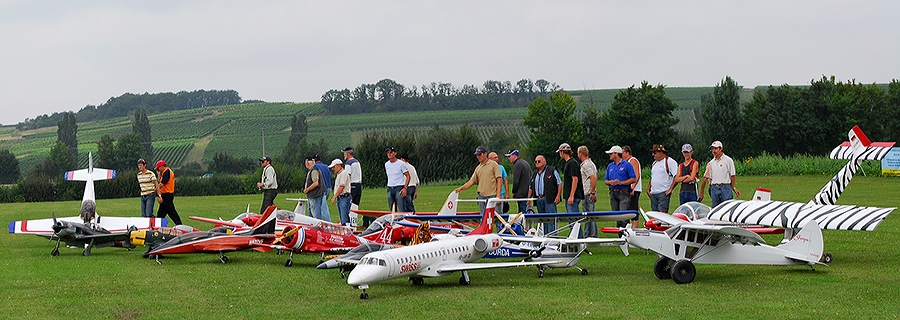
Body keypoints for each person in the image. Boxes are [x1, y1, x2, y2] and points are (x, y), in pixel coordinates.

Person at [455, 146, 502, 217]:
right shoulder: (478, 168)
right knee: (483, 219)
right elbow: (471, 182)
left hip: (492, 196)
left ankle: (500, 229)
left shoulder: (493, 164)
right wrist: (460, 188)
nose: (478, 157)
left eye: (480, 154)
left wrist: (498, 195)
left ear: (485, 154)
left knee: (497, 218)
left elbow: (499, 179)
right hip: (481, 197)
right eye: (477, 155)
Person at [699, 141, 741, 207]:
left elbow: (733, 176)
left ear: (720, 149)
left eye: (716, 149)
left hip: (725, 187)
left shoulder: (728, 160)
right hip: (714, 188)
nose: (714, 151)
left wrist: (732, 187)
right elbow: (706, 178)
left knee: (726, 208)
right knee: (715, 209)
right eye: (712, 149)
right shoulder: (711, 163)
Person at [528, 155, 562, 235]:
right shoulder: (534, 173)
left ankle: (553, 238)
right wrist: (528, 198)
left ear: (544, 162)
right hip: (539, 200)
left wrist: (558, 196)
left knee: (551, 220)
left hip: (549, 199)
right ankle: (545, 238)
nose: (537, 163)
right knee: (542, 221)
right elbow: (530, 187)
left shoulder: (552, 170)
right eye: (535, 161)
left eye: (539, 161)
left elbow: (559, 183)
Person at [604, 146, 636, 229]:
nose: (609, 155)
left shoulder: (627, 165)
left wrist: (621, 182)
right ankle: (620, 237)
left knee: (623, 217)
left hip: (624, 193)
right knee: (616, 217)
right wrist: (610, 182)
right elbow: (605, 180)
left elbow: (633, 179)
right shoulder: (610, 166)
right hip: (613, 193)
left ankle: (626, 236)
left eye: (611, 153)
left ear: (616, 154)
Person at [647, 145, 678, 213]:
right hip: (654, 193)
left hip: (663, 192)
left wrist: (670, 189)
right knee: (655, 215)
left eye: (654, 152)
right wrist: (649, 189)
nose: (653, 154)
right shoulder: (654, 163)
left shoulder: (669, 162)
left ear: (661, 152)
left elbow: (676, 176)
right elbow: (652, 177)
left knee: (662, 215)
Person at [577, 146, 598, 238]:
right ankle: (589, 235)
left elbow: (593, 177)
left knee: (589, 215)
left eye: (578, 153)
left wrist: (592, 192)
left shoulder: (585, 165)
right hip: (590, 192)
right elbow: (595, 176)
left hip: (588, 193)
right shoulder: (591, 163)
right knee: (590, 214)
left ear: (580, 154)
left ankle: (591, 235)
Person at [558, 143, 583, 214]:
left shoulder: (572, 163)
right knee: (571, 219)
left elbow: (575, 179)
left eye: (560, 152)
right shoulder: (569, 163)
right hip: (569, 196)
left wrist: (571, 196)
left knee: (573, 220)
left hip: (573, 197)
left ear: (562, 152)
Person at [303, 156, 330, 222]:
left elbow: (316, 183)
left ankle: (318, 227)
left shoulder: (314, 170)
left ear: (307, 163)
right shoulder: (315, 169)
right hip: (318, 194)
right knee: (322, 210)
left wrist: (307, 189)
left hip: (315, 195)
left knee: (315, 214)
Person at [154, 160, 182, 225]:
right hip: (165, 195)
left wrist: (153, 190)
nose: (158, 170)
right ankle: (158, 226)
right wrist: (159, 174)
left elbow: (161, 184)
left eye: (158, 168)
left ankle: (179, 225)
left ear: (162, 166)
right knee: (161, 213)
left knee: (171, 212)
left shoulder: (167, 172)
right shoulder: (165, 172)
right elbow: (161, 181)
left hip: (167, 195)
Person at [343, 147, 365, 226]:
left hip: (352, 185)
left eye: (344, 153)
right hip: (358, 185)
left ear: (347, 154)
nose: (344, 155)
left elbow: (348, 176)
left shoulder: (348, 163)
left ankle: (348, 224)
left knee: (348, 205)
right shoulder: (357, 162)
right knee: (355, 206)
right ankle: (354, 223)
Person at [384, 147, 410, 212]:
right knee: (392, 210)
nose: (389, 154)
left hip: (399, 188)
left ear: (395, 153)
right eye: (388, 153)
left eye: (391, 152)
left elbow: (408, 176)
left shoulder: (401, 163)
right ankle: (394, 221)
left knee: (401, 210)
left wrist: (405, 188)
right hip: (390, 188)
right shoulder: (386, 164)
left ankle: (403, 221)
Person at [506, 149, 532, 214]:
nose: (508, 158)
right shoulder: (525, 163)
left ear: (514, 156)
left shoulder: (517, 164)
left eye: (509, 156)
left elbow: (516, 180)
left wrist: (514, 192)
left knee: (521, 214)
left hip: (521, 194)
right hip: (527, 192)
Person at [621, 146, 642, 228]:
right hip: (629, 189)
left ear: (627, 153)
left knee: (633, 211)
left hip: (634, 189)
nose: (621, 155)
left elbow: (636, 175)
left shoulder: (632, 161)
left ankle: (635, 229)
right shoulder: (626, 162)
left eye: (622, 153)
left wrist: (632, 187)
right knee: (629, 211)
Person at [329, 159, 352, 226]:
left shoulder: (343, 173)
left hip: (344, 197)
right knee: (342, 217)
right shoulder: (340, 174)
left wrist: (335, 197)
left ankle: (347, 231)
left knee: (344, 218)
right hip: (341, 197)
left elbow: (342, 186)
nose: (333, 169)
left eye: (334, 167)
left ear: (339, 166)